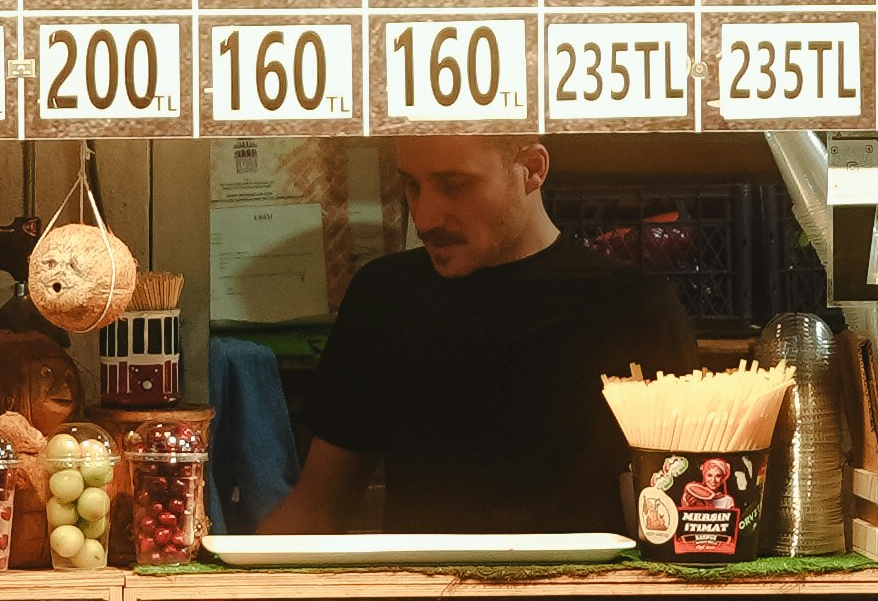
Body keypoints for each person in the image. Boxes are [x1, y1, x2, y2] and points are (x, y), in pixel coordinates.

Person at [263, 136, 693, 536]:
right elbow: (319, 505)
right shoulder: (384, 296)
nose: (425, 218)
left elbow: (679, 508)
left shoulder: (632, 307)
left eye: (454, 186)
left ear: (531, 168)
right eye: (411, 186)